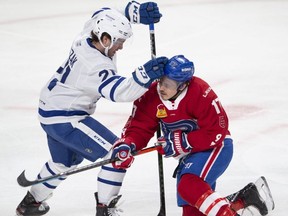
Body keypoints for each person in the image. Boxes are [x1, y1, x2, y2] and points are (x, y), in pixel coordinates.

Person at [16, 1, 168, 216]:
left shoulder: (90, 31)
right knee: (118, 153)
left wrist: (136, 12)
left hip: (49, 110)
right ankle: (104, 208)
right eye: (119, 42)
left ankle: (30, 204)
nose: (121, 47)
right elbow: (119, 92)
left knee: (63, 162)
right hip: (66, 118)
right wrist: (144, 74)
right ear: (105, 38)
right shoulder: (95, 66)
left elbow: (107, 11)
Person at [110, 55, 270, 216]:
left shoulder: (200, 91)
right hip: (189, 156)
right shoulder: (151, 95)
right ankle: (241, 202)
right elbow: (139, 127)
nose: (161, 88)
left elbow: (216, 130)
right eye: (161, 81)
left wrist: (182, 141)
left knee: (188, 185)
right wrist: (128, 144)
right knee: (192, 211)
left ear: (182, 85)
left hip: (215, 148)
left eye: (168, 84)